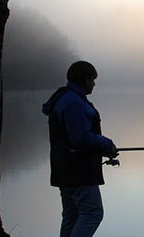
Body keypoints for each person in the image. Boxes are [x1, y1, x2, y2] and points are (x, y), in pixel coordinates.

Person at [42, 61, 119, 237]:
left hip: (64, 169)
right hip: (78, 171)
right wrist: (107, 145)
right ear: (85, 79)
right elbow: (80, 138)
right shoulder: (73, 103)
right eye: (93, 79)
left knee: (72, 217)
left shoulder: (65, 98)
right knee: (92, 213)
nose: (94, 83)